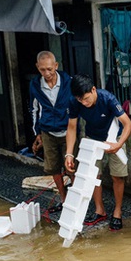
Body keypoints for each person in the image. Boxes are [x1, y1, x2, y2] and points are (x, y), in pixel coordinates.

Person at [64, 73, 131, 230]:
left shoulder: (108, 98)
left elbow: (127, 124)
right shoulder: (74, 102)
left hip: (114, 138)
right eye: (80, 100)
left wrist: (118, 144)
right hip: (93, 138)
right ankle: (99, 210)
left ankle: (117, 211)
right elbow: (72, 127)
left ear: (93, 89)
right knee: (94, 175)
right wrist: (69, 153)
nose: (84, 103)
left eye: (86, 98)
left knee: (118, 176)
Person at [29, 51, 73, 212]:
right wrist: (37, 133)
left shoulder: (68, 82)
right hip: (48, 132)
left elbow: (77, 105)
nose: (47, 73)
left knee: (71, 167)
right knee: (54, 168)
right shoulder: (35, 85)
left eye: (49, 69)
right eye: (42, 70)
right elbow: (34, 109)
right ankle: (64, 199)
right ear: (37, 68)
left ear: (56, 66)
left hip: (68, 131)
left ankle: (76, 200)